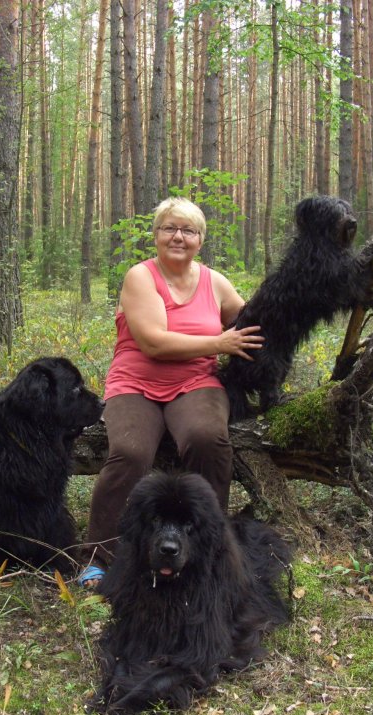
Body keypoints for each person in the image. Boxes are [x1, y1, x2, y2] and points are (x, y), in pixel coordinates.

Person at [78, 197, 263, 587]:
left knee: (207, 440)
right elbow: (154, 343)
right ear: (156, 235)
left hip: (197, 382)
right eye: (169, 228)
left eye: (188, 230)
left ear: (201, 239)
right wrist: (220, 343)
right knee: (130, 453)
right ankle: (99, 556)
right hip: (135, 383)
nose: (178, 236)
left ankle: (210, 551)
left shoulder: (215, 282)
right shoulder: (140, 277)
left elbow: (255, 323)